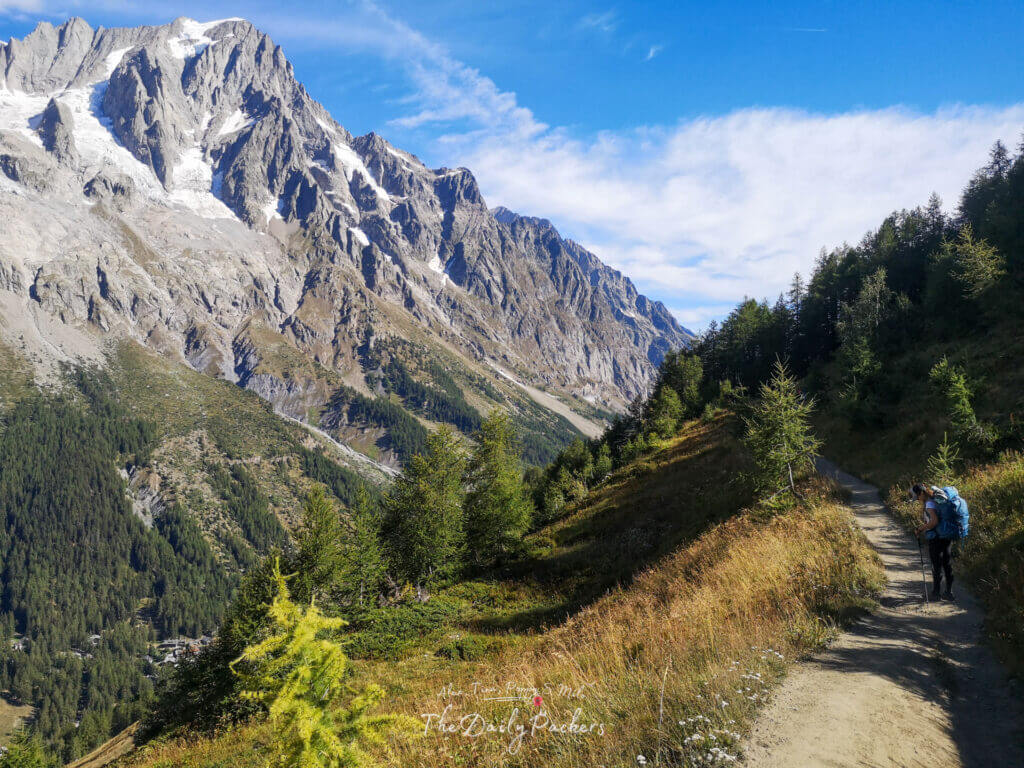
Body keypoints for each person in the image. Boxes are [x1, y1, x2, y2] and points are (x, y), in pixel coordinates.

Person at [912, 483, 954, 601]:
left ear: (921, 493)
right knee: (947, 564)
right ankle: (949, 593)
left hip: (936, 537)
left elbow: (934, 521)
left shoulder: (929, 504)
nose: (918, 500)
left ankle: (936, 594)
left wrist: (921, 528)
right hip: (946, 535)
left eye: (917, 497)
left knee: (936, 565)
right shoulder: (936, 500)